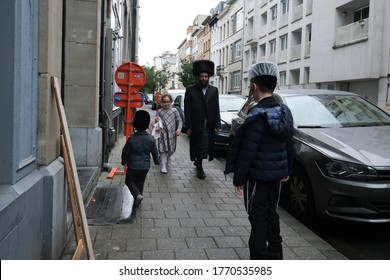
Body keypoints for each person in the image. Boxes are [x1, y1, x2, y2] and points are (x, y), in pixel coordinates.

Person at [224, 62, 295, 260]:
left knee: (258, 218)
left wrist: (238, 178)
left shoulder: (256, 115)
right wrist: (287, 169)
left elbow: (248, 151)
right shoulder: (284, 112)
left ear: (254, 86)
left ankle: (259, 259)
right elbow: (290, 144)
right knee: (272, 214)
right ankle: (276, 253)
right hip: (277, 176)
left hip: (257, 177)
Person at [184, 60, 221, 179]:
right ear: (198, 77)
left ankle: (199, 165)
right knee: (197, 145)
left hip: (209, 124)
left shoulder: (214, 90)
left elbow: (216, 107)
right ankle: (198, 165)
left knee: (205, 145)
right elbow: (187, 109)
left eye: (206, 76)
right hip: (196, 124)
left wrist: (217, 123)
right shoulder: (190, 90)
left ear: (208, 77)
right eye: (202, 76)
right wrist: (188, 126)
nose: (204, 78)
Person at [121, 110, 159, 207]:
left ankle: (137, 195)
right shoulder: (151, 138)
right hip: (145, 166)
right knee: (140, 182)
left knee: (129, 181)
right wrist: (156, 161)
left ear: (135, 124)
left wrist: (123, 161)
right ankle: (138, 198)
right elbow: (154, 151)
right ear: (147, 125)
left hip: (133, 165)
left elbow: (125, 152)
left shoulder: (132, 138)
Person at [155, 93, 183, 174]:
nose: (166, 103)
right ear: (161, 102)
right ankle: (163, 166)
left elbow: (180, 121)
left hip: (172, 134)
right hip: (162, 134)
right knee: (162, 149)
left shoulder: (174, 111)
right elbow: (155, 123)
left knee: (172, 150)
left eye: (168, 102)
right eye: (164, 102)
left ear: (171, 102)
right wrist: (156, 120)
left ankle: (166, 158)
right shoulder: (159, 111)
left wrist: (179, 129)